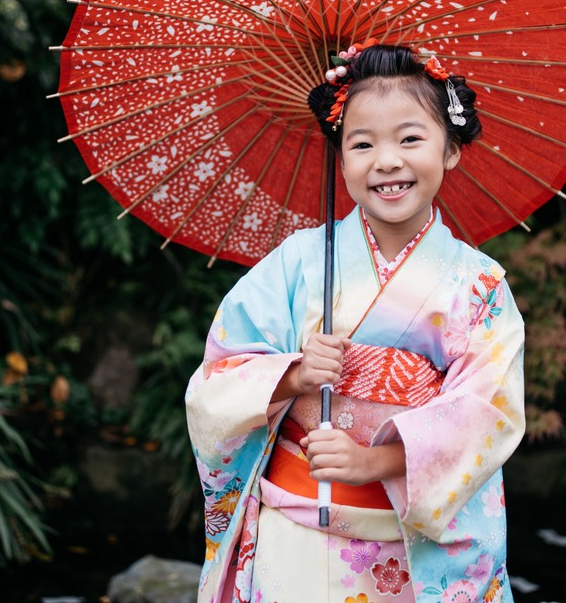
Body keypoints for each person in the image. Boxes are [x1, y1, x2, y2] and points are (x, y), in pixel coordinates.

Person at [185, 42, 526, 603]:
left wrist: (377, 461)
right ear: (340, 161)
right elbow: (215, 379)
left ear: (451, 150)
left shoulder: (479, 284)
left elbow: (489, 412)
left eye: (410, 138)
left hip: (410, 539)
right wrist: (293, 376)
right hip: (295, 530)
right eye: (362, 144)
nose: (386, 160)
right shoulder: (296, 263)